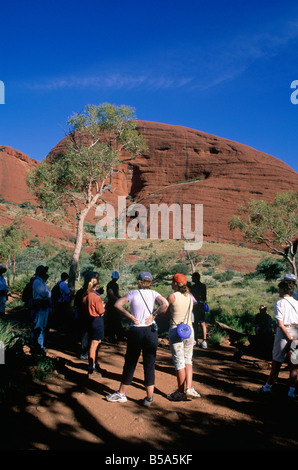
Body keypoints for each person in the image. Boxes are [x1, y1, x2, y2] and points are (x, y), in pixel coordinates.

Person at [106, 271, 168, 406]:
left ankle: (122, 393)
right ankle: (149, 397)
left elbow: (117, 305)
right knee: (149, 363)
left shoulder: (132, 293)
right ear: (150, 282)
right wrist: (154, 315)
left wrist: (130, 316)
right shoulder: (154, 293)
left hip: (137, 330)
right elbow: (165, 304)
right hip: (151, 331)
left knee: (131, 362)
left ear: (139, 281)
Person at [257, 280, 298, 398]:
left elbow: (280, 324)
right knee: (294, 365)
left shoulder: (280, 303)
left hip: (284, 334)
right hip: (296, 332)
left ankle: (266, 388)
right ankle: (291, 392)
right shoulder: (296, 303)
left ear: (283, 289)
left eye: (279, 288)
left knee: (276, 363)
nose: (278, 291)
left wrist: (288, 337)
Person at [167, 273, 201, 401]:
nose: (171, 284)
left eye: (172, 282)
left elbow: (165, 311)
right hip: (189, 330)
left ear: (176, 284)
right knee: (188, 360)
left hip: (176, 329)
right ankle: (189, 388)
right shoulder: (190, 296)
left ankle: (180, 392)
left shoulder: (172, 296)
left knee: (179, 362)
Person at [82, 275, 105, 377]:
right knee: (94, 345)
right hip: (97, 321)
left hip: (88, 320)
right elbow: (101, 312)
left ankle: (94, 364)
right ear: (97, 285)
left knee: (95, 344)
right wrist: (104, 305)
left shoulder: (85, 296)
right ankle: (91, 367)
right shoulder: (96, 297)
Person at [31, 265, 51, 353]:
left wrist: (47, 294)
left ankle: (40, 345)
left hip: (44, 305)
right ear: (40, 273)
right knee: (38, 325)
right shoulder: (37, 282)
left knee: (43, 326)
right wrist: (47, 294)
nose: (45, 273)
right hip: (39, 305)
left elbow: (49, 293)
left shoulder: (42, 282)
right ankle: (36, 345)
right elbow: (44, 293)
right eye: (43, 271)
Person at [190, 272, 208, 348]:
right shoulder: (202, 286)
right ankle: (200, 340)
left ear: (196, 278)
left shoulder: (195, 287)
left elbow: (202, 296)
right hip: (199, 306)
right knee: (198, 323)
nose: (192, 279)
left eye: (193, 277)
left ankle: (202, 340)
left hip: (198, 306)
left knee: (200, 323)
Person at [106, 271, 123, 343]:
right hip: (111, 305)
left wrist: (122, 299)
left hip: (114, 304)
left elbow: (117, 294)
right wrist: (118, 299)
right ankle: (112, 338)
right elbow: (111, 294)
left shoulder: (115, 285)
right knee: (112, 321)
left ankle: (119, 337)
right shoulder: (110, 284)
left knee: (116, 321)